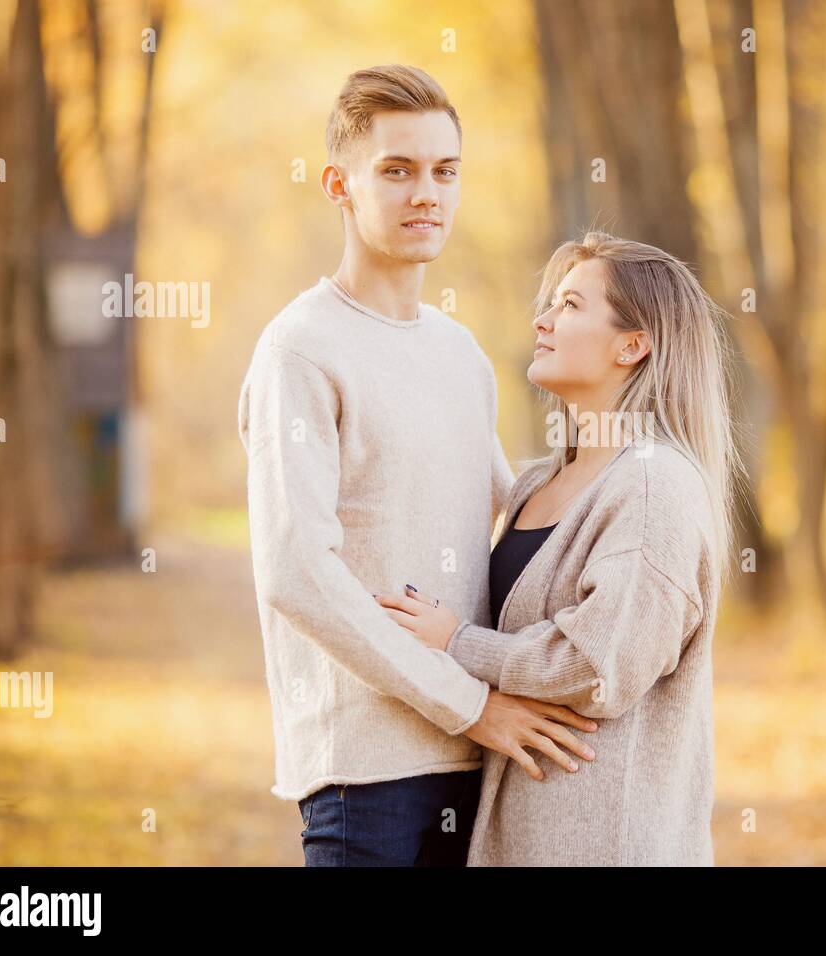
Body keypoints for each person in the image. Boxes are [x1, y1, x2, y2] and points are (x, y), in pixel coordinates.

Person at [238, 65, 595, 867]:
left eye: (444, 171)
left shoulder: (458, 352)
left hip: (486, 757)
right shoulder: (300, 350)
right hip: (368, 777)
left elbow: (511, 517)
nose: (424, 193)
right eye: (396, 171)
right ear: (340, 184)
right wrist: (470, 704)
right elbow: (296, 573)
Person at [378, 231, 739, 865]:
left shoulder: (654, 487)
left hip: (610, 845)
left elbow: (597, 665)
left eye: (570, 306)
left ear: (633, 343)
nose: (541, 320)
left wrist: (457, 642)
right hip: (520, 839)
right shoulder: (536, 482)